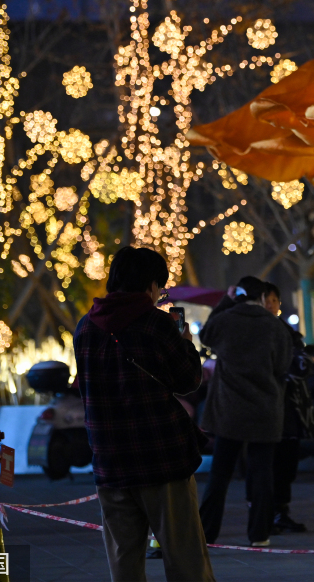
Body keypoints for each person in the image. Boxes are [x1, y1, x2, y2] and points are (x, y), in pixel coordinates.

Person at [74, 246, 214, 582]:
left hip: (109, 459)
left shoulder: (85, 328)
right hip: (160, 458)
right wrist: (185, 341)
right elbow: (188, 381)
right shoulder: (156, 323)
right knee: (184, 556)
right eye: (160, 288)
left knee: (124, 559)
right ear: (150, 285)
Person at [199, 275, 293, 547]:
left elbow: (206, 336)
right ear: (263, 297)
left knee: (220, 473)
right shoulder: (275, 327)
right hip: (265, 409)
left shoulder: (225, 320)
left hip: (229, 409)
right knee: (262, 473)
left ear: (237, 294)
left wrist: (225, 302)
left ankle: (207, 533)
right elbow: (282, 366)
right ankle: (259, 535)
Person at [263, 282, 314, 534]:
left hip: (291, 410)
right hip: (265, 410)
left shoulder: (287, 332)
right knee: (266, 466)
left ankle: (280, 512)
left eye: (274, 300)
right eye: (266, 299)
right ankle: (265, 514)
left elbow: (302, 365)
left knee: (286, 465)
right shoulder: (254, 331)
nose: (270, 305)